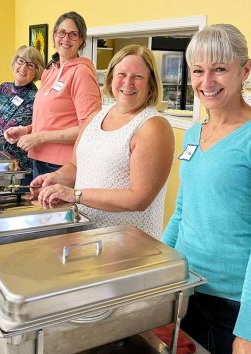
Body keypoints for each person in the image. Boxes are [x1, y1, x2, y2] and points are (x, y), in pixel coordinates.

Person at [161, 24, 251, 354]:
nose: (206, 82)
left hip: (233, 302)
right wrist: (158, 268)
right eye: (198, 71)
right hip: (187, 287)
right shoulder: (192, 135)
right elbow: (184, 211)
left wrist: (248, 328)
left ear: (245, 70)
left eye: (220, 69)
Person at [30, 44, 175, 239]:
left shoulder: (153, 127)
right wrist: (54, 178)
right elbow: (75, 166)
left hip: (129, 245)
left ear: (151, 83)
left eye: (138, 77)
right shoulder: (95, 117)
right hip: (86, 235)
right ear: (111, 78)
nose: (128, 83)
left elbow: (138, 198)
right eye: (121, 74)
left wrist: (76, 195)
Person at [4, 11, 102, 177]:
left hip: (62, 166)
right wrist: (27, 130)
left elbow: (90, 129)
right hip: (39, 160)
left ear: (81, 41)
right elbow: (52, 121)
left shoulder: (81, 73)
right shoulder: (50, 71)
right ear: (54, 35)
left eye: (73, 35)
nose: (66, 39)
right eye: (62, 33)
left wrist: (40, 137)